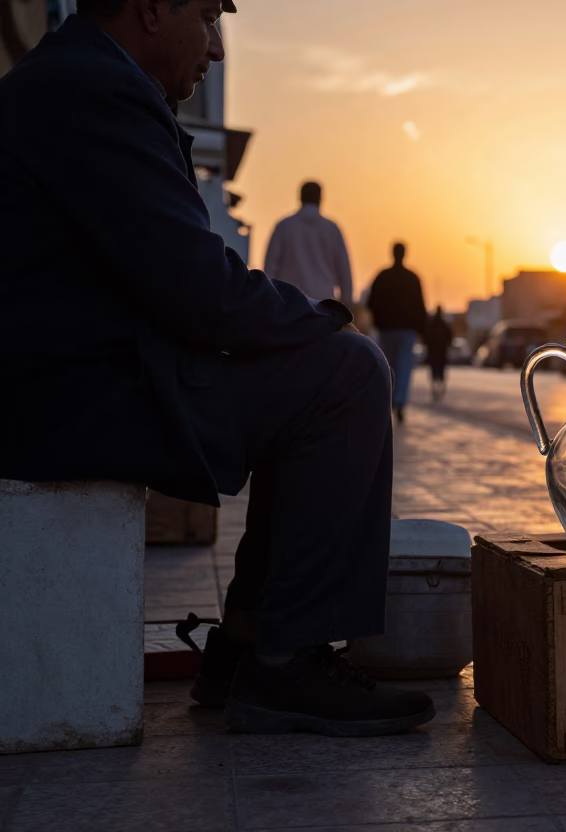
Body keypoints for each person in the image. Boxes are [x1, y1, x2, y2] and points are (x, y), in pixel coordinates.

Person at [0, 0, 434, 737]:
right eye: (206, 19)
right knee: (347, 375)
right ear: (150, 9)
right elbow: (200, 291)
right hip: (70, 395)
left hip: (68, 376)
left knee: (322, 369)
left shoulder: (74, 80)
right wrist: (321, 318)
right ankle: (285, 659)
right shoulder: (92, 91)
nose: (216, 50)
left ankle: (244, 647)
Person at [264, 180, 354, 305]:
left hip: (289, 301)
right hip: (323, 302)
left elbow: (269, 266)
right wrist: (347, 302)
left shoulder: (284, 226)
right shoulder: (332, 229)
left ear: (300, 197)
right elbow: (343, 269)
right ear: (320, 198)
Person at [366, 242, 427, 421]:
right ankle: (399, 401)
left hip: (387, 329)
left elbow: (371, 302)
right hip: (406, 330)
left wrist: (379, 320)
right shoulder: (412, 278)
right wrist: (421, 329)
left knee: (388, 365)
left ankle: (390, 399)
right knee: (404, 366)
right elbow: (420, 306)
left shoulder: (383, 276)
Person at [423, 307, 453, 402]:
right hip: (441, 351)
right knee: (441, 368)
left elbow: (425, 337)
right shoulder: (444, 324)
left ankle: (435, 385)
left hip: (433, 351)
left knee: (434, 369)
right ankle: (440, 384)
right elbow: (450, 336)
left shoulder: (431, 325)